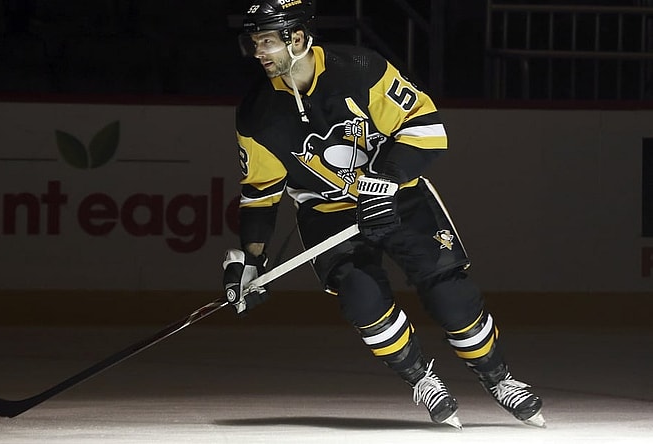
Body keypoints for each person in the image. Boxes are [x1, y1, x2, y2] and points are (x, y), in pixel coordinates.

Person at [221, 0, 545, 430]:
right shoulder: (257, 114)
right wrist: (252, 262)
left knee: (451, 295)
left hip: (402, 199)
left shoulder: (359, 68)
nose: (258, 52)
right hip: (329, 215)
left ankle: (500, 380)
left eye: (266, 41)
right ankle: (422, 379)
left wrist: (386, 181)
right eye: (253, 42)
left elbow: (427, 128)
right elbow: (261, 194)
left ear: (296, 38)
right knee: (361, 298)